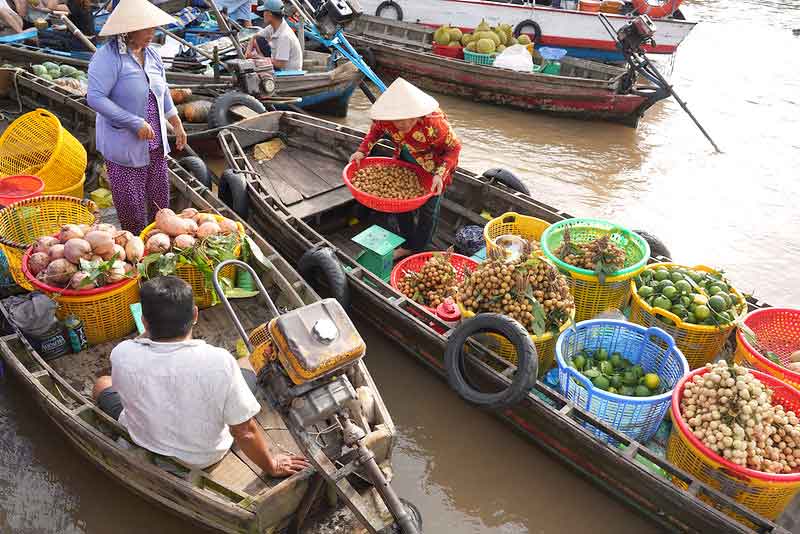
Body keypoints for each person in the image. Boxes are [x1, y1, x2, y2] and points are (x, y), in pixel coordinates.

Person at [92, 276, 310, 477]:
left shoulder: (122, 352)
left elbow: (125, 387)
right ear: (195, 315)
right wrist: (271, 465)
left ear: (145, 322)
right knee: (246, 367)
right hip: (201, 457)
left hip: (145, 440)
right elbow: (245, 432)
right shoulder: (219, 362)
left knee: (103, 383)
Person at [86, 0, 187, 235]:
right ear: (129, 29)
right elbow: (95, 98)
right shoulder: (107, 58)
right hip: (124, 142)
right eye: (147, 28)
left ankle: (157, 241)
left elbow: (162, 91)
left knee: (160, 199)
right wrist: (133, 122)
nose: (153, 32)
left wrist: (176, 123)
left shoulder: (152, 54)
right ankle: (135, 249)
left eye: (153, 27)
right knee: (131, 204)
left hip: (155, 141)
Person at [350, 78, 462, 260]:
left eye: (408, 119)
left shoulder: (434, 124)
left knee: (429, 209)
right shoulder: (386, 120)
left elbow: (454, 148)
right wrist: (362, 151)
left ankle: (418, 248)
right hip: (408, 153)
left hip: (434, 162)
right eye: (398, 121)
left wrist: (440, 175)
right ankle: (406, 241)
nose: (403, 125)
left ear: (417, 113)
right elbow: (375, 131)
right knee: (402, 205)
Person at [245, 0, 302, 71]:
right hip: (277, 63)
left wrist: (258, 57)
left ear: (269, 14)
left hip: (286, 72)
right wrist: (248, 52)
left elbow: (280, 64)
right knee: (259, 40)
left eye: (264, 12)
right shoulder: (273, 26)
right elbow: (254, 36)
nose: (263, 14)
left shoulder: (284, 36)